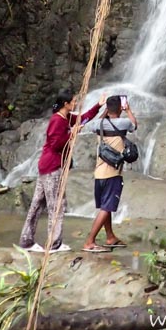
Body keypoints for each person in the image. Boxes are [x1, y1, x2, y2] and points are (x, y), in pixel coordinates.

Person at [18, 93, 105, 253]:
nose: (76, 103)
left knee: (38, 203)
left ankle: (26, 241)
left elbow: (83, 119)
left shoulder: (65, 118)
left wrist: (98, 106)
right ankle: (54, 244)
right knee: (57, 204)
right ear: (65, 104)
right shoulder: (57, 120)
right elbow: (56, 144)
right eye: (73, 101)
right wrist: (73, 133)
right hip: (52, 166)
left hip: (47, 165)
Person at [81, 95, 137, 253]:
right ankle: (89, 242)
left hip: (98, 173)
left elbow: (94, 123)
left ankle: (110, 237)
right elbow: (134, 125)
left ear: (107, 109)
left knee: (106, 206)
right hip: (112, 173)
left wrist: (105, 111)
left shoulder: (97, 124)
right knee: (106, 208)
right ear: (120, 108)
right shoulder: (123, 122)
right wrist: (129, 110)